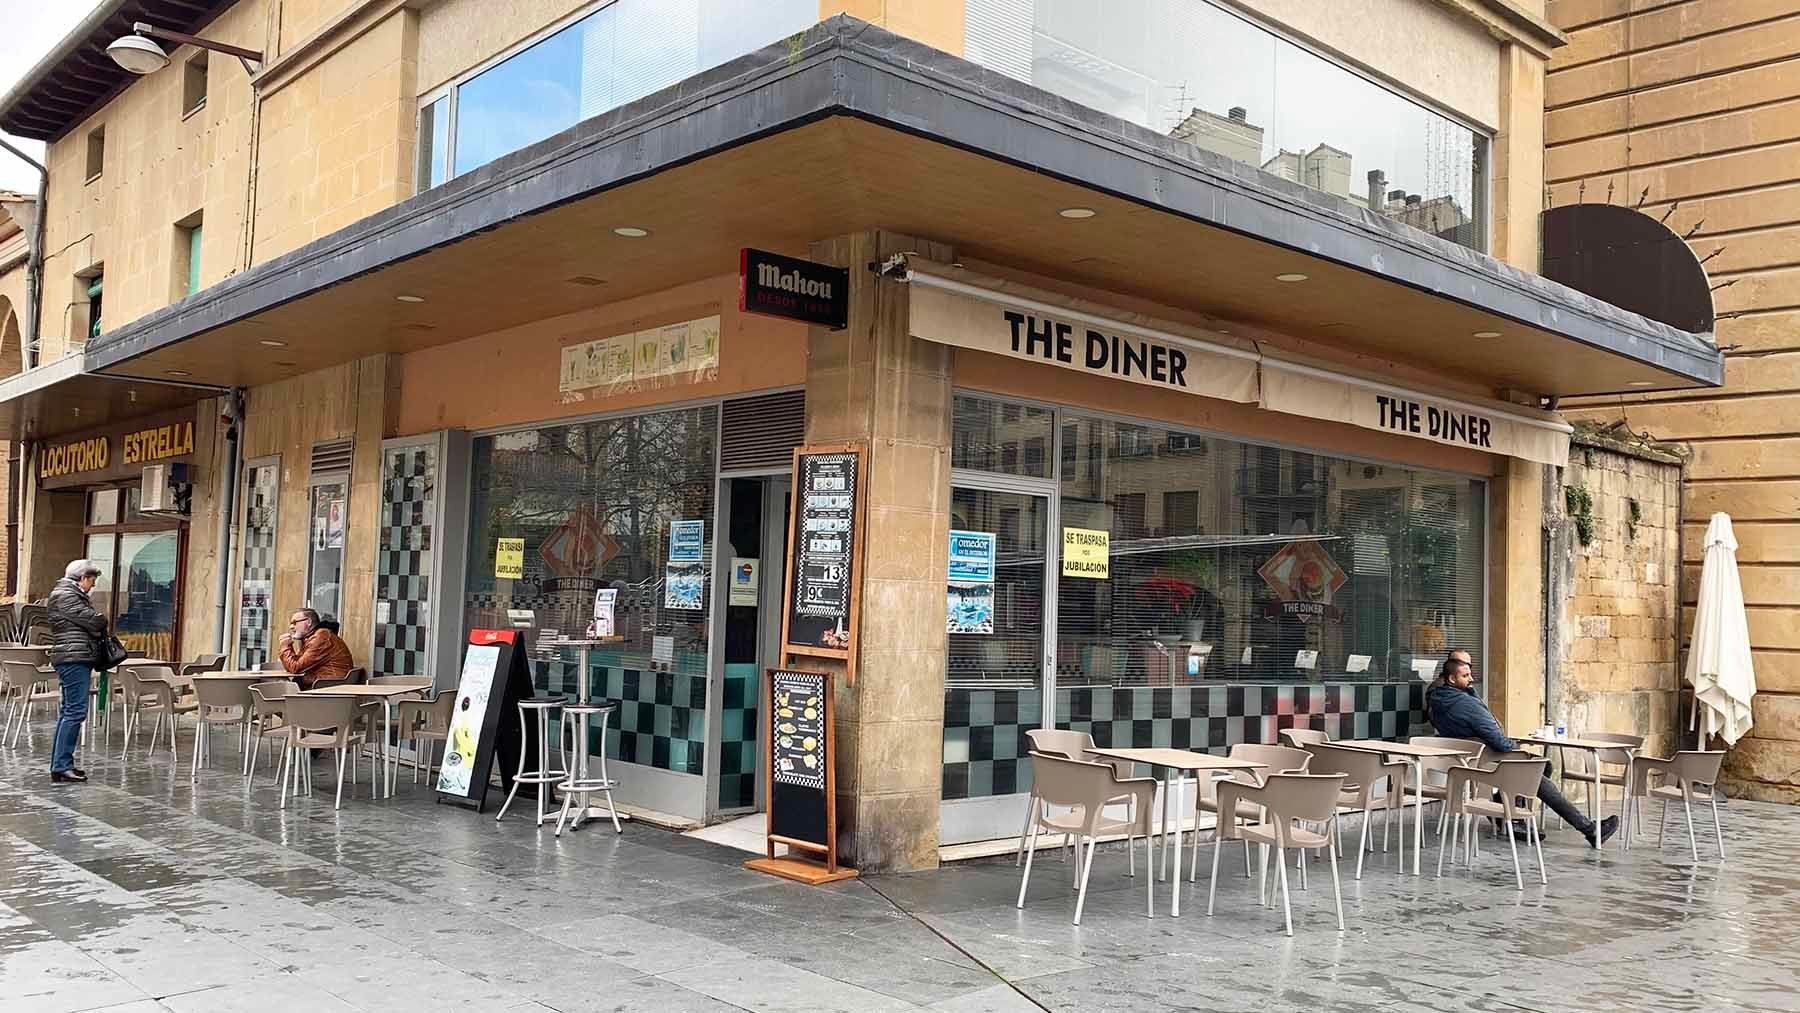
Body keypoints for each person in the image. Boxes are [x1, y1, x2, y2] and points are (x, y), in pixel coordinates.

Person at [1427, 651, 1619, 847]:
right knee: (1537, 776)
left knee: (1545, 766)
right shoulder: (1466, 704)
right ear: (1451, 678)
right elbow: (1500, 742)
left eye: (1470, 672)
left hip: (1468, 760)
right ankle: (1589, 830)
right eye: (1465, 675)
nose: (1472, 679)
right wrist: (1515, 746)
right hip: (1485, 760)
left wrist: (1469, 691)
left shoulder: (1437, 697)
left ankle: (1511, 816)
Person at [46, 559, 108, 784]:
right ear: (81, 578)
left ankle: (61, 764)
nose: (92, 585)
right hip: (73, 658)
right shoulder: (67, 596)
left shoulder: (68, 595)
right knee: (75, 711)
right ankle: (62, 766)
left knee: (69, 712)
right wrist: (101, 618)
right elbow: (96, 622)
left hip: (74, 656)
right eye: (91, 580)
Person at [279, 608, 355, 689]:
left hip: (328, 686)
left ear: (308, 622)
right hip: (326, 684)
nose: (291, 627)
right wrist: (288, 648)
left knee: (284, 687)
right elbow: (296, 665)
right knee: (287, 684)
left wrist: (285, 647)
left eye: (294, 623)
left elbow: (295, 668)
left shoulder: (321, 637)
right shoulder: (312, 637)